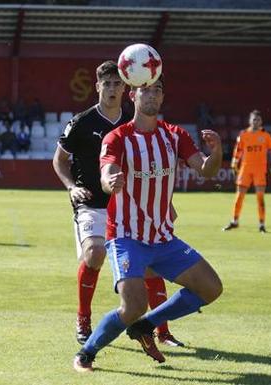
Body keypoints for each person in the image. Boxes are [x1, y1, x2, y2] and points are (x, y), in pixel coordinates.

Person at [72, 75, 223, 372]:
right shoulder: (117, 137)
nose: (152, 95)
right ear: (133, 96)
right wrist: (109, 181)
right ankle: (86, 353)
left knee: (211, 288)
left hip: (164, 238)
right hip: (127, 236)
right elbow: (107, 174)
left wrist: (216, 151)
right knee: (133, 306)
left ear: (163, 97)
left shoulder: (174, 135)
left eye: (157, 90)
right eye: (145, 90)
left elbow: (205, 171)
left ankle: (147, 326)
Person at [54, 61, 183, 348]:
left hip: (131, 205)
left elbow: (155, 162)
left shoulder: (133, 118)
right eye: (106, 84)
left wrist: (166, 202)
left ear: (125, 88)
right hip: (91, 203)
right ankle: (83, 319)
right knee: (95, 252)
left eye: (117, 84)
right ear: (97, 87)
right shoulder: (81, 122)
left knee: (151, 264)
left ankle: (162, 331)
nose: (112, 89)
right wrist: (71, 187)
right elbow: (59, 160)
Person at [223, 110, 271, 233]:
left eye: (258, 119)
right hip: (245, 168)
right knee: (239, 196)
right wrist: (234, 163)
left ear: (261, 121)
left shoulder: (265, 135)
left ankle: (262, 224)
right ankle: (234, 221)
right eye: (254, 119)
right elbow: (238, 151)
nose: (256, 121)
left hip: (260, 169)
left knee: (260, 197)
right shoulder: (243, 135)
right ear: (250, 121)